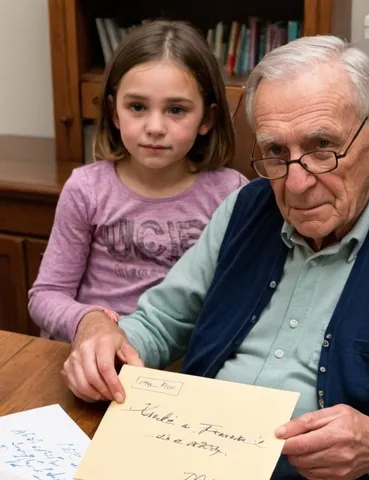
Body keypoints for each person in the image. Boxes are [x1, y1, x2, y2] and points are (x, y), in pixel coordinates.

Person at [61, 35, 369, 480]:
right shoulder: (245, 207)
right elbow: (157, 324)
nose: (296, 183)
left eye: (323, 148)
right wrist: (103, 336)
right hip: (190, 472)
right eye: (276, 152)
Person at [28, 20, 248, 342]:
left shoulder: (232, 193)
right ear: (114, 113)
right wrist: (86, 320)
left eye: (176, 109)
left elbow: (243, 296)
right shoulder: (86, 190)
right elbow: (46, 295)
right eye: (137, 107)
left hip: (183, 365)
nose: (155, 126)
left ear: (207, 119)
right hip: (95, 356)